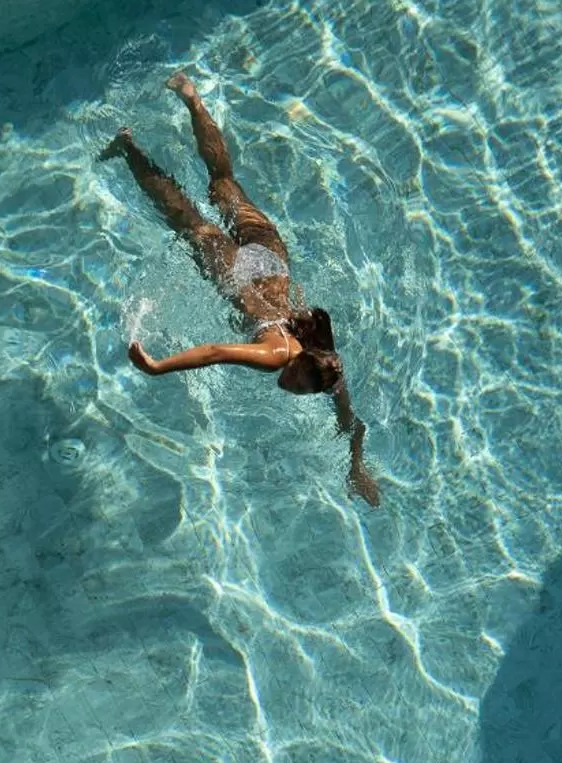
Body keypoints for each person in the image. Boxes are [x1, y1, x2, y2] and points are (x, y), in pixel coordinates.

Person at [102, 73, 382, 508]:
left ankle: (192, 97)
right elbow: (215, 351)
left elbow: (354, 425)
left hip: (272, 258)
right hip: (235, 274)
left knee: (222, 180)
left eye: (298, 387)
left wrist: (357, 467)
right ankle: (128, 148)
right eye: (294, 379)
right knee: (186, 218)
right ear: (296, 363)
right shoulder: (276, 355)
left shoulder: (326, 362)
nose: (289, 385)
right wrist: (158, 367)